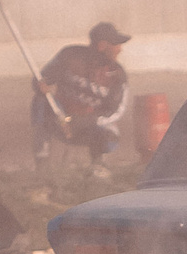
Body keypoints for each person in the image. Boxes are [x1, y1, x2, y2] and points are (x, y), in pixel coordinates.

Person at [32, 21, 132, 171]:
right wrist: (40, 85)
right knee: (40, 101)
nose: (120, 49)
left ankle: (98, 166)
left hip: (90, 126)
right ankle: (42, 162)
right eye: (116, 44)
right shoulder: (69, 55)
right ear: (102, 46)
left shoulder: (117, 74)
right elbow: (41, 78)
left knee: (109, 138)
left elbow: (117, 110)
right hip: (61, 120)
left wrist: (88, 121)